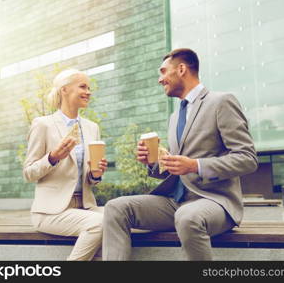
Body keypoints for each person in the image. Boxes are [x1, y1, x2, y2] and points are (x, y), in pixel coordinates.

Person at [102, 48, 258, 260]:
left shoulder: (221, 102)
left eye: (164, 72)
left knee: (187, 217)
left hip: (214, 201)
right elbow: (176, 167)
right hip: (175, 202)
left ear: (182, 69)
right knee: (116, 207)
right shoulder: (175, 116)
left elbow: (247, 158)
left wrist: (196, 165)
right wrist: (153, 163)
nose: (160, 79)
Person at [23, 69, 108, 261]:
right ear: (64, 90)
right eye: (83, 87)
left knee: (121, 217)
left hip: (85, 206)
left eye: (89, 88)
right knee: (100, 224)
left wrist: (95, 173)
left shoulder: (92, 127)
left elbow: (92, 180)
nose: (89, 92)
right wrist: (52, 157)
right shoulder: (43, 124)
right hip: (51, 211)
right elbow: (28, 173)